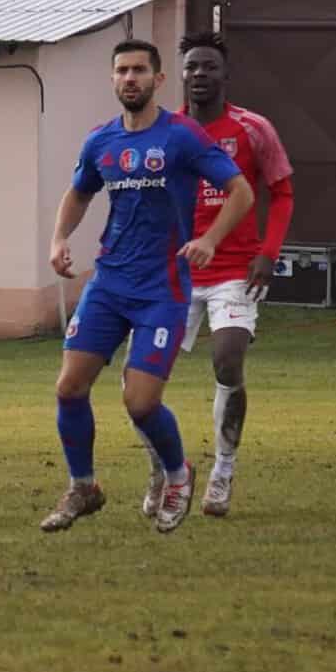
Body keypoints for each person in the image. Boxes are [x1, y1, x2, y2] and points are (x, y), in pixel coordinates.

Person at [40, 39, 254, 535]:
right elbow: (78, 193)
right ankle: (83, 486)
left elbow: (240, 191)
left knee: (140, 402)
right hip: (109, 282)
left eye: (139, 70)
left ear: (159, 80)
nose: (129, 78)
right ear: (113, 79)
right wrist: (58, 239)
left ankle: (178, 475)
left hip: (162, 289)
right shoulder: (101, 141)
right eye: (121, 71)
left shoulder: (182, 136)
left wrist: (210, 238)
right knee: (69, 387)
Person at [151, 31, 292, 521]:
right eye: (191, 67)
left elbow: (283, 193)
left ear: (225, 74)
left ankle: (223, 471)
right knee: (149, 377)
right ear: (180, 75)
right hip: (175, 272)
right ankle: (165, 471)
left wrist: (268, 252)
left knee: (228, 361)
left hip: (235, 268)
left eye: (209, 66)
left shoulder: (253, 129)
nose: (200, 75)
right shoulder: (165, 130)